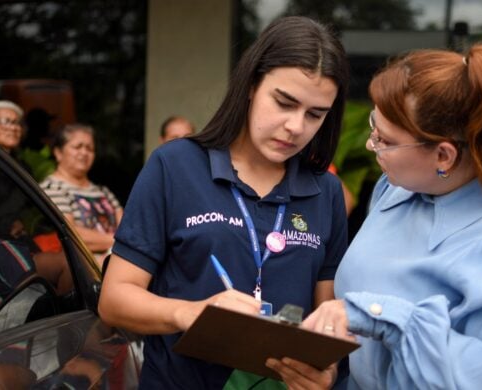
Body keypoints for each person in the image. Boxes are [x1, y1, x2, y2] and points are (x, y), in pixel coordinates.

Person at [99, 16, 349, 389]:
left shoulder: (325, 191)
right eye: (284, 102)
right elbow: (115, 299)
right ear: (250, 85)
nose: (296, 126)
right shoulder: (175, 165)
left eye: (315, 114)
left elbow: (326, 318)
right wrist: (191, 313)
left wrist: (324, 371)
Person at [266, 44, 482, 389]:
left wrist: (378, 314)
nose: (369, 145)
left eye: (385, 140)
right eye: (374, 127)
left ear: (444, 156)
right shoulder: (395, 191)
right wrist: (329, 369)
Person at [40, 124, 123, 266]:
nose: (84, 153)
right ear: (58, 153)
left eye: (89, 148)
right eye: (78, 147)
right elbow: (71, 235)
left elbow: (127, 226)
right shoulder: (51, 188)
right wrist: (122, 244)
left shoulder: (103, 191)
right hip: (84, 269)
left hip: (117, 260)